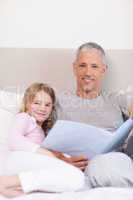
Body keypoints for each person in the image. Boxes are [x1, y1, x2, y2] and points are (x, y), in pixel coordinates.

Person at [56, 42, 133, 187]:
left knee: (101, 165)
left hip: (111, 162)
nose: (88, 73)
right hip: (70, 166)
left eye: (94, 66)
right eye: (82, 65)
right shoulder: (57, 101)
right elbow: (37, 140)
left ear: (103, 70)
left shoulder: (116, 99)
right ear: (74, 68)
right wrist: (61, 159)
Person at [0, 83, 85, 198]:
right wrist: (49, 154)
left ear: (51, 108)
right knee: (75, 177)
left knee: (76, 178)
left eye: (47, 105)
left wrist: (65, 158)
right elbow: (14, 140)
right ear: (27, 104)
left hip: (28, 163)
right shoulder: (24, 118)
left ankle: (16, 185)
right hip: (17, 158)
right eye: (37, 103)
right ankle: (6, 182)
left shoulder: (42, 130)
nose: (42, 108)